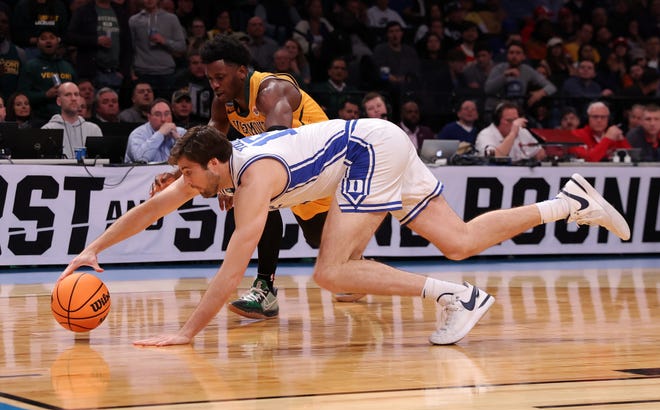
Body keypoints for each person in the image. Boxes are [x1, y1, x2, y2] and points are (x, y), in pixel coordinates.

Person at [59, 119, 631, 347]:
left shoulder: (255, 180)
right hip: (379, 140)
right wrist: (90, 248)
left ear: (213, 165)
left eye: (187, 174)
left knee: (331, 272)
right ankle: (566, 203)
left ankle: (460, 296)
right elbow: (149, 210)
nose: (180, 183)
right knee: (458, 241)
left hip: (372, 148)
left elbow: (234, 270)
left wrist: (186, 334)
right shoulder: (214, 166)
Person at [152, 35, 330, 319]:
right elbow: (207, 143)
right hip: (293, 171)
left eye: (220, 77)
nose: (215, 85)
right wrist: (175, 174)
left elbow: (277, 146)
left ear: (241, 72)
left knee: (319, 241)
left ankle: (351, 254)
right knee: (258, 197)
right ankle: (266, 290)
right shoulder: (224, 103)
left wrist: (233, 179)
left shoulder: (273, 90)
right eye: (210, 79)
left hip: (323, 164)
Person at [66, 0, 132, 90]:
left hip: (115, 73)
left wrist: (123, 71)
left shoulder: (120, 11)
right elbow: (70, 37)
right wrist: (95, 41)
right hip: (92, 72)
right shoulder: (84, 11)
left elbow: (127, 43)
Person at [128, 0, 187, 99]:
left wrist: (164, 41)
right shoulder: (134, 20)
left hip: (166, 74)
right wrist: (131, 70)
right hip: (143, 73)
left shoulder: (171, 19)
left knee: (164, 107)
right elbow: (130, 48)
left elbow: (181, 46)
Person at [484, 41, 557, 118]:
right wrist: (505, 76)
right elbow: (488, 89)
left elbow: (552, 87)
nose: (514, 56)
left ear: (523, 56)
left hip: (517, 112)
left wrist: (541, 93)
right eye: (511, 53)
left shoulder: (527, 70)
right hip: (496, 111)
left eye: (518, 53)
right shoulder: (498, 68)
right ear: (507, 55)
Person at [16, 29, 77, 121]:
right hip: (40, 119)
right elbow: (22, 95)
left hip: (67, 119)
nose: (48, 41)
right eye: (43, 38)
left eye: (52, 37)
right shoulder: (31, 66)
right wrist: (45, 95)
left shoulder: (67, 66)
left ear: (58, 41)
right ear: (37, 43)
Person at [41, 82, 103, 159]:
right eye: (68, 95)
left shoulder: (93, 129)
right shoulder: (48, 130)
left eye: (76, 94)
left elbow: (100, 163)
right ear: (59, 101)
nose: (73, 98)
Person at [475, 101, 546, 162]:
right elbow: (494, 158)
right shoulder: (485, 135)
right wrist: (513, 134)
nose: (514, 124)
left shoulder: (522, 132)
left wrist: (538, 156)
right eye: (509, 121)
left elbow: (539, 153)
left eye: (515, 120)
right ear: (497, 121)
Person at [124, 98, 185, 163]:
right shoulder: (138, 134)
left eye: (167, 114)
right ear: (149, 117)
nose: (163, 119)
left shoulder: (181, 132)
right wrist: (160, 133)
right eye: (158, 114)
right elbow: (141, 159)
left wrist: (179, 140)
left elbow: (194, 158)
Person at [0, 6, 26, 101]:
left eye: (4, 22)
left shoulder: (19, 53)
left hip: (11, 106)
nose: (0, 25)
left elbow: (23, 86)